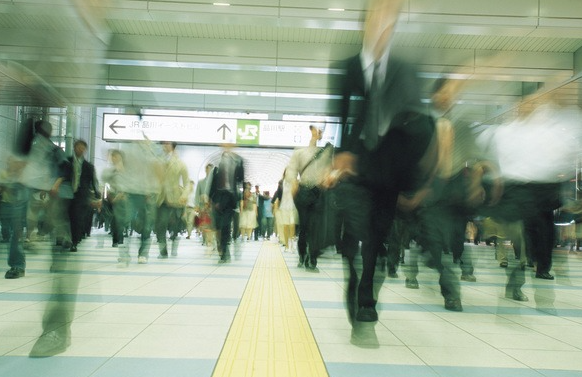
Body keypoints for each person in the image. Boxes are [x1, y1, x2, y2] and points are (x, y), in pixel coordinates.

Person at [332, 0, 436, 321]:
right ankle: (352, 272)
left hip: (389, 168)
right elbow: (340, 117)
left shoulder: (405, 71)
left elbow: (417, 126)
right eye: (377, 18)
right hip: (355, 163)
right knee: (352, 230)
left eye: (390, 20)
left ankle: (367, 292)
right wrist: (341, 155)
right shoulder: (348, 67)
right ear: (365, 24)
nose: (382, 26)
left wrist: (415, 178)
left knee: (378, 232)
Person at [286, 125, 333, 272]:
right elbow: (291, 169)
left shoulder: (325, 152)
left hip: (319, 193)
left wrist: (328, 178)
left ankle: (312, 257)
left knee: (316, 227)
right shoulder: (299, 152)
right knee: (305, 226)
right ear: (310, 131)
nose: (317, 132)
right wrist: (293, 182)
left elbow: (329, 171)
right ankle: (302, 254)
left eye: (319, 130)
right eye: (314, 129)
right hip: (304, 191)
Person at [209, 146, 244, 263]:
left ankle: (225, 252)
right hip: (218, 201)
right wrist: (210, 200)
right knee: (218, 227)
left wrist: (239, 162)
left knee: (225, 225)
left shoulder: (236, 166)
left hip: (229, 199)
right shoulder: (216, 170)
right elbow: (212, 187)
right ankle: (223, 248)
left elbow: (241, 179)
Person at [155, 141, 189, 258]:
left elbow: (187, 182)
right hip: (161, 198)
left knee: (174, 226)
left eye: (167, 143)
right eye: (163, 143)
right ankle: (163, 251)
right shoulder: (158, 160)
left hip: (175, 199)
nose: (164, 145)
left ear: (173, 146)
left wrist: (184, 195)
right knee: (160, 225)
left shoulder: (180, 163)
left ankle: (174, 245)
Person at [68, 139, 100, 252]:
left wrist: (97, 196)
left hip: (81, 196)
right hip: (67, 194)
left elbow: (94, 182)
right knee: (68, 217)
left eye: (82, 148)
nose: (80, 150)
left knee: (77, 218)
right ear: (74, 148)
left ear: (85, 150)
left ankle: (74, 242)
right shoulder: (67, 162)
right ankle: (68, 238)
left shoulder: (88, 166)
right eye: (78, 147)